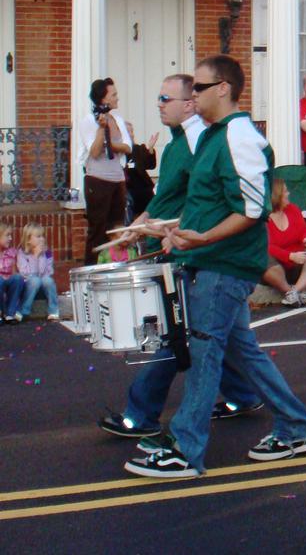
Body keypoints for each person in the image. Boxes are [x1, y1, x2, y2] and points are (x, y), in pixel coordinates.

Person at [124, 55, 306, 478]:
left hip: (224, 266)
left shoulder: (239, 137)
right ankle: (298, 427)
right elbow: (210, 204)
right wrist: (176, 232)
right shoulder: (215, 136)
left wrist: (204, 238)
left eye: (199, 87)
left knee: (204, 355)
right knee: (241, 352)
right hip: (210, 260)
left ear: (223, 88)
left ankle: (186, 448)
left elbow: (252, 208)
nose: (193, 95)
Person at [99, 73, 262, 441]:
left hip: (191, 252)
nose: (158, 104)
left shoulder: (198, 141)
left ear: (189, 104)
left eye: (165, 98)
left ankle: (141, 413)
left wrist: (181, 229)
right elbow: (167, 196)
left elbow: (208, 198)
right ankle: (244, 395)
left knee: (174, 334)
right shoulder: (176, 146)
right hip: (184, 247)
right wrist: (139, 222)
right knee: (229, 336)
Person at [78, 78, 132, 264]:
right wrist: (101, 130)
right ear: (103, 98)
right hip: (97, 180)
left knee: (116, 228)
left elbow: (128, 147)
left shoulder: (118, 119)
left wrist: (110, 145)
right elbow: (94, 151)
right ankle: (91, 269)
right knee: (98, 230)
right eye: (114, 95)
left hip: (118, 179)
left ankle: (114, 265)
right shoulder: (88, 121)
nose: (117, 98)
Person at [263, 178, 306, 306]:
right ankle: (290, 291)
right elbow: (266, 246)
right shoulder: (263, 218)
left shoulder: (293, 209)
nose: (288, 194)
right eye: (285, 191)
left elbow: (304, 230)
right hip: (276, 267)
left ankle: (294, 292)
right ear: (276, 195)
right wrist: (290, 256)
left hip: (298, 262)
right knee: (263, 258)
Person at [17, 223, 59, 320]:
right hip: (28, 288)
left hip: (42, 289)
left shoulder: (47, 253)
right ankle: (24, 311)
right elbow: (25, 273)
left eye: (42, 236)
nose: (42, 239)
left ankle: (53, 311)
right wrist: (35, 256)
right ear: (28, 239)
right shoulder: (22, 253)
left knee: (47, 280)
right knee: (35, 280)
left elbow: (48, 272)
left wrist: (41, 256)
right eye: (38, 236)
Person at [125, 124, 158, 221]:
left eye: (132, 131)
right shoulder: (117, 152)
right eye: (128, 131)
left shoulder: (139, 149)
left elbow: (150, 165)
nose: (131, 134)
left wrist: (150, 149)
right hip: (128, 192)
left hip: (143, 190)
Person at [0, 222, 25, 323]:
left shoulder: (12, 252)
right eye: (7, 235)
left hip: (8, 283)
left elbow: (14, 273)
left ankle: (10, 314)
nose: (10, 238)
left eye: (11, 235)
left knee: (18, 278)